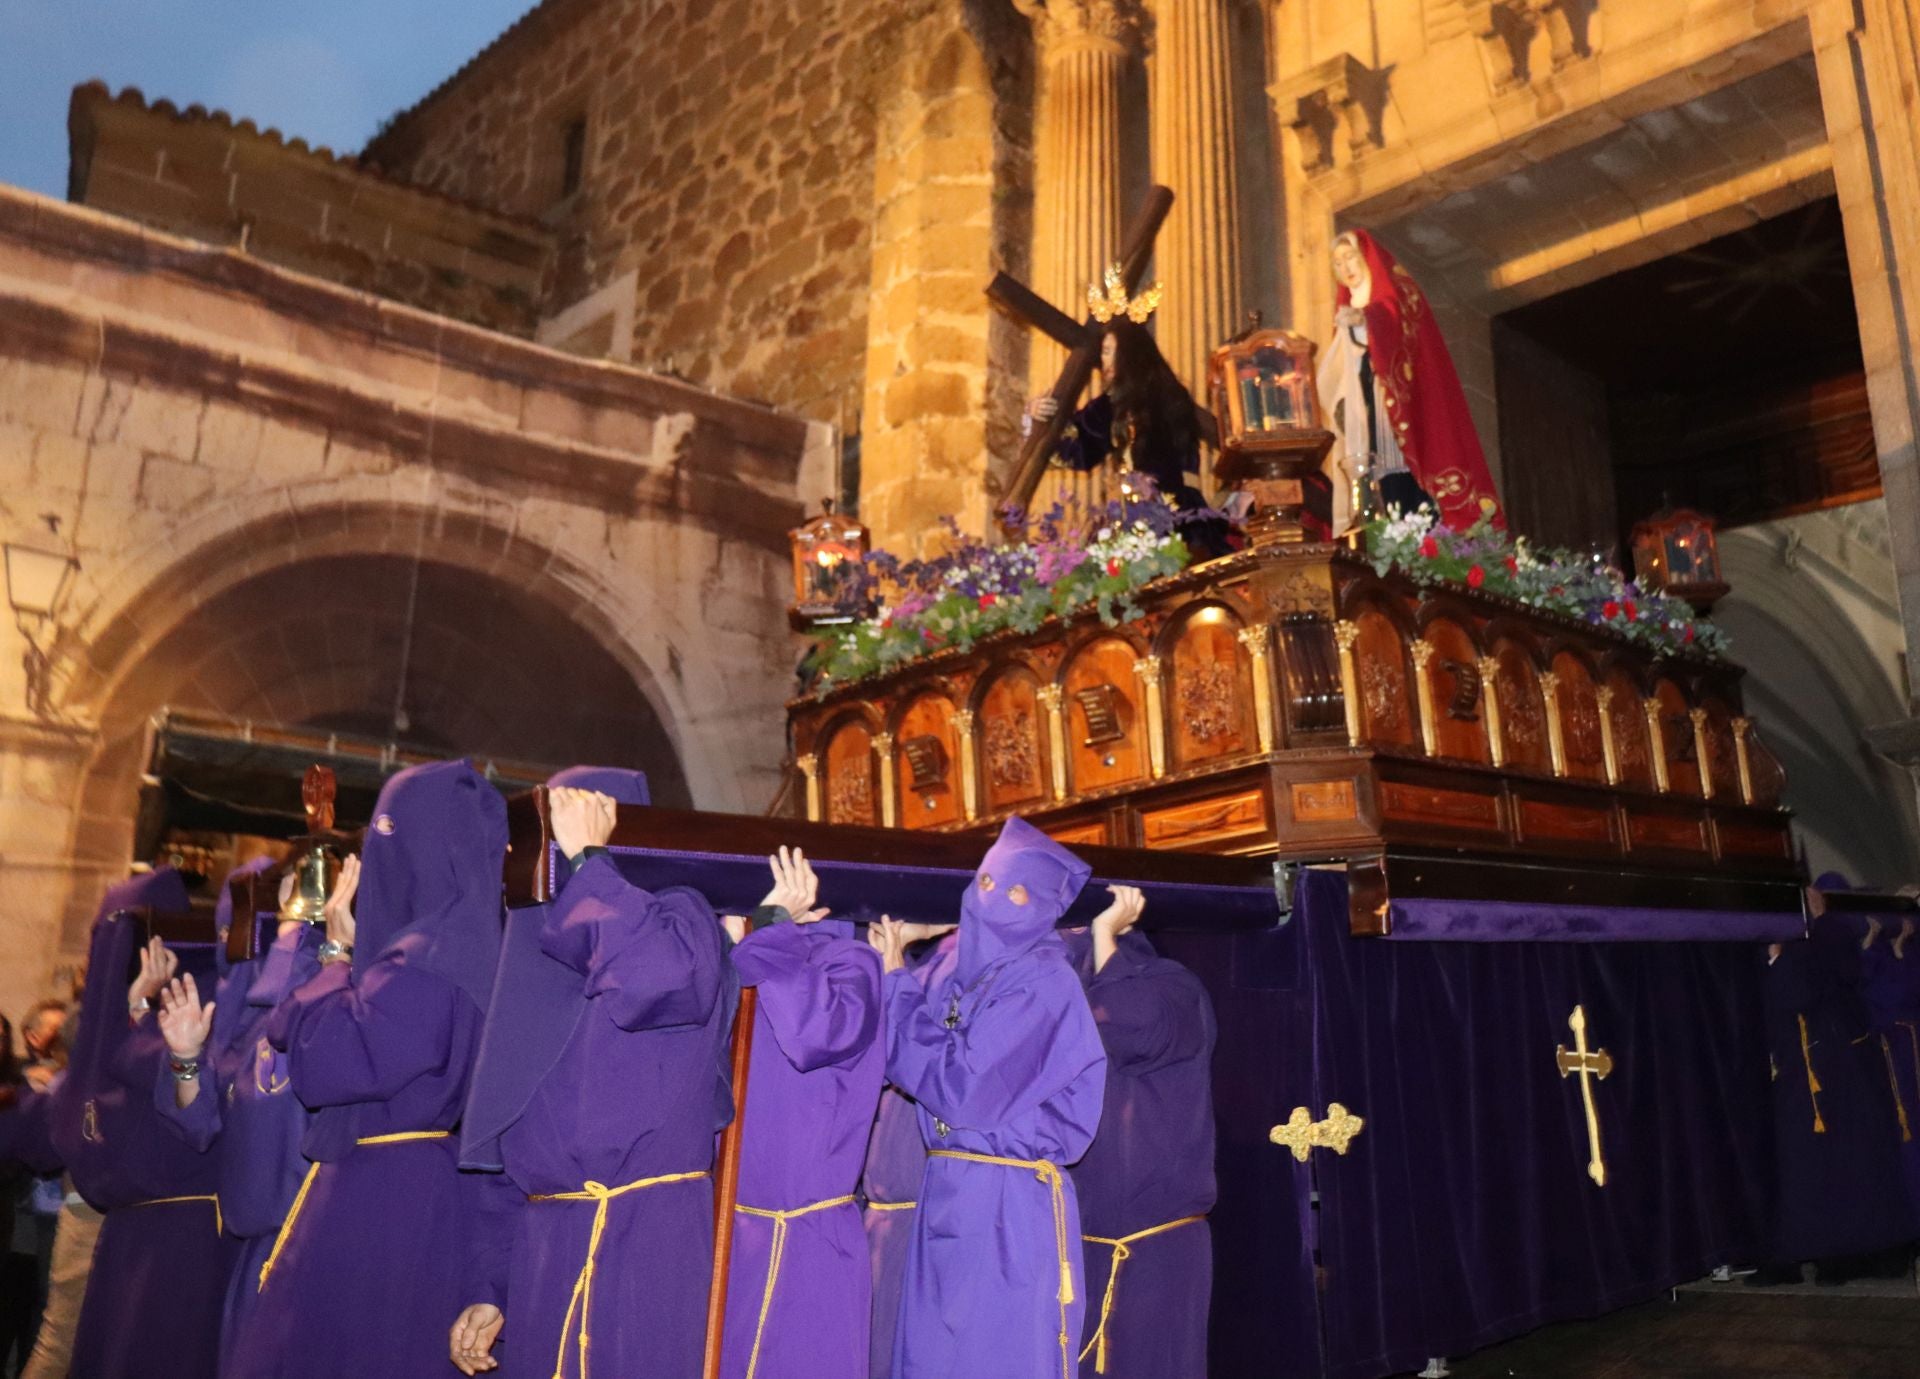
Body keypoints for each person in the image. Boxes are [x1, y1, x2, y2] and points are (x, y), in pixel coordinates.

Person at [451, 768, 735, 1379]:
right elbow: (510, 1146)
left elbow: (662, 981)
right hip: (547, 1255)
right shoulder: (530, 949)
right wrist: (490, 1285)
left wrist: (589, 862)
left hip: (647, 1246)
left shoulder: (679, 918)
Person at [249, 759, 509, 1379]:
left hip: (386, 1201)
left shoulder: (428, 958)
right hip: (426, 1189)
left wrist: (337, 956)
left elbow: (323, 1060)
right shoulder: (481, 946)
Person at [875, 817, 1108, 1379]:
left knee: (996, 1358)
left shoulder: (1044, 982)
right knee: (933, 1358)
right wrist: (903, 964)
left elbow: (962, 1089)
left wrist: (895, 979)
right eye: (985, 884)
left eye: (1019, 893)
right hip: (947, 1192)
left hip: (1010, 1204)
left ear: (1044, 910)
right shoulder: (959, 973)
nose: (996, 902)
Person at [47, 869, 234, 1379]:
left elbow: (193, 1117)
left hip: (185, 1234)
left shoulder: (212, 992)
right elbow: (112, 1087)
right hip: (132, 1229)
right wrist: (135, 1004)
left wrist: (175, 1047)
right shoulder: (144, 1005)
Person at [150, 855, 324, 1379]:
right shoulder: (222, 1012)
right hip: (236, 1237)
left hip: (304, 1224)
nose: (233, 941)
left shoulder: (313, 988)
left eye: (242, 926)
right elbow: (198, 1125)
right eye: (225, 927)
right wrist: (185, 1057)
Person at [717, 848, 884, 1379]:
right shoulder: (746, 955)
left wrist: (772, 928)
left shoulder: (852, 962)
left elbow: (814, 1035)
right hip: (734, 1230)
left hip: (807, 1237)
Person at [1060, 889, 1218, 1378]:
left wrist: (1105, 933)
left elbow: (1132, 1028)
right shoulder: (1068, 997)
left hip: (1153, 1243)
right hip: (1080, 1236)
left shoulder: (1171, 986)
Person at [1315, 228, 1503, 533]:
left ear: (1366, 258)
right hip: (1369, 410)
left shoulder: (1394, 297)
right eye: (1338, 263)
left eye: (1350, 257)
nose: (1345, 267)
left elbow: (1395, 327)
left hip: (1398, 409)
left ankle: (1422, 533)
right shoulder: (1346, 311)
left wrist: (1367, 321)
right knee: (1378, 481)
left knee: (1404, 478)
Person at [1025, 319, 1229, 556]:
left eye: (1110, 352)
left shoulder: (1121, 402)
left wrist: (1044, 424)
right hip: (1175, 514)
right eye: (1103, 353)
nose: (1105, 361)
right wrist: (1040, 416)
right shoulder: (1165, 394)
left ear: (1129, 354)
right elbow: (1082, 446)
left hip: (1155, 513)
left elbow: (1076, 446)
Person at [859, 926, 955, 1379]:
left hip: (918, 1222)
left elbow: (929, 1063)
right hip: (881, 1220)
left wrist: (897, 974)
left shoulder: (956, 973)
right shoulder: (918, 969)